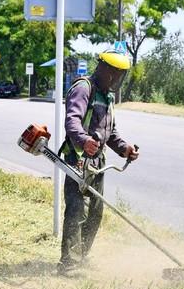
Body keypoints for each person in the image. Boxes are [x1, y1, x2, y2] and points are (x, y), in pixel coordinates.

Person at [60, 49, 140, 271]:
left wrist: (125, 149)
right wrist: (84, 140)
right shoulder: (84, 88)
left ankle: (81, 257)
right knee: (77, 210)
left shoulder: (107, 96)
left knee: (95, 213)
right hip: (78, 157)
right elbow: (72, 121)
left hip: (97, 161)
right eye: (112, 73)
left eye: (120, 75)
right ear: (102, 67)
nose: (115, 79)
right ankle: (68, 263)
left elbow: (110, 132)